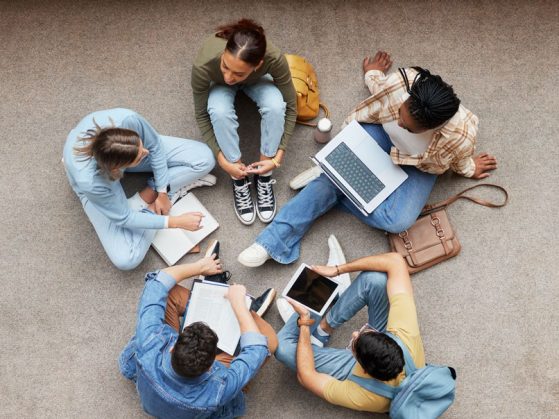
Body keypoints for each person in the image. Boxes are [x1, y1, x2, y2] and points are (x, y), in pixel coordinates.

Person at [238, 50, 497, 267]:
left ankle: (332, 179)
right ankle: (272, 241)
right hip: (376, 135)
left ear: (433, 127)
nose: (399, 121)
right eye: (400, 113)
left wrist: (470, 167)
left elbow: (459, 158)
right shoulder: (402, 82)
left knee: (397, 221)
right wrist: (373, 73)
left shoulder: (461, 136)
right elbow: (380, 89)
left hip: (419, 164)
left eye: (407, 126)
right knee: (338, 183)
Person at [119, 241, 278, 418]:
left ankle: (213, 292)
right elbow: (258, 348)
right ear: (212, 365)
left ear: (173, 347)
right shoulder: (219, 388)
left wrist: (200, 266)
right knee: (269, 340)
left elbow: (157, 282)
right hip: (204, 407)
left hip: (150, 381)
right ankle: (245, 310)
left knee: (168, 294)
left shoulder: (150, 341)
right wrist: (239, 305)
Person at [63, 108, 216, 270]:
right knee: (126, 260)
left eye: (141, 146)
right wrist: (175, 222)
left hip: (118, 160)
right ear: (119, 168)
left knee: (205, 159)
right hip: (97, 182)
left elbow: (155, 146)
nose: (146, 152)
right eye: (140, 156)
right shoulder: (91, 182)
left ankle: (153, 193)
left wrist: (162, 191)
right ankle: (153, 206)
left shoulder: (128, 119)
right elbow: (124, 218)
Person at [275, 252, 423, 413]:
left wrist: (304, 320)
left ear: (363, 369)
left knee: (282, 347)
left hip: (373, 383)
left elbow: (306, 376)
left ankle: (315, 307)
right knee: (375, 279)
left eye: (354, 344)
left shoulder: (364, 396)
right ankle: (323, 329)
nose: (354, 333)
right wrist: (338, 270)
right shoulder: (405, 332)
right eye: (365, 331)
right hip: (390, 358)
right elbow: (395, 261)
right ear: (391, 339)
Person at [192, 18, 297, 225]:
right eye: (225, 66)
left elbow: (292, 107)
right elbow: (202, 115)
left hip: (257, 82)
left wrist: (276, 158)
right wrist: (223, 161)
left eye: (237, 73)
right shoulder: (204, 66)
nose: (230, 77)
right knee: (218, 111)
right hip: (218, 88)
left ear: (257, 65)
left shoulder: (273, 59)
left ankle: (264, 171)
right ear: (222, 55)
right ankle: (238, 175)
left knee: (276, 106)